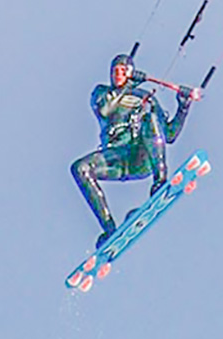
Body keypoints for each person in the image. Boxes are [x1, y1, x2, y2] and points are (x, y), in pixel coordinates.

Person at [71, 53, 194, 247]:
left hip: (140, 156)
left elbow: (169, 135)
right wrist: (128, 86)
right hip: (116, 158)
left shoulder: (145, 98)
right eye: (116, 71)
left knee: (150, 119)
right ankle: (110, 229)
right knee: (79, 168)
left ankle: (160, 182)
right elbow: (105, 110)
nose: (118, 74)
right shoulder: (102, 93)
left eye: (123, 70)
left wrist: (183, 108)